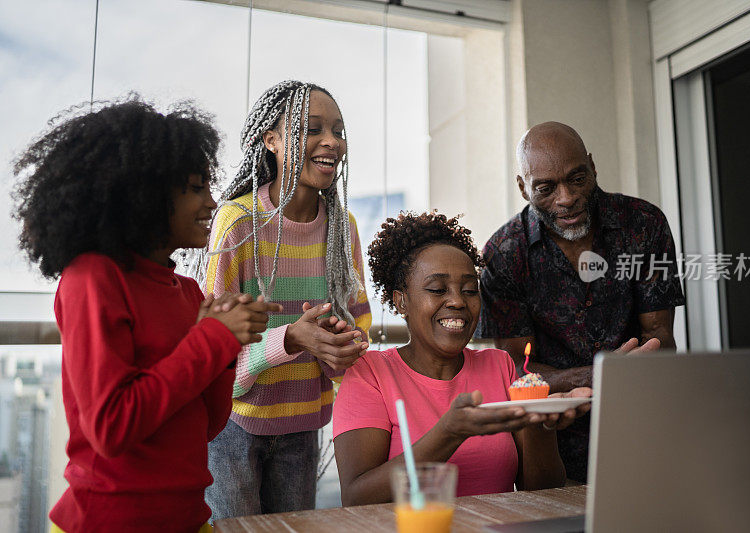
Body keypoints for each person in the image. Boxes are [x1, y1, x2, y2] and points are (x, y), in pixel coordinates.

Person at [12, 97, 279, 532]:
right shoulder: (93, 277)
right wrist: (211, 338)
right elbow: (111, 427)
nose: (212, 202)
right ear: (143, 193)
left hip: (190, 520)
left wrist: (226, 346)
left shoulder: (189, 292)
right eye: (194, 189)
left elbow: (206, 427)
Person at [333, 212, 591, 505]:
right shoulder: (370, 374)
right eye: (437, 289)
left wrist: (540, 425)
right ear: (401, 300)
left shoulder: (500, 366)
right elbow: (357, 498)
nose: (457, 301)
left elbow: (543, 491)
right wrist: (450, 432)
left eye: (469, 290)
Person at [476, 121, 686, 481]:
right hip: (551, 450)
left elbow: (660, 340)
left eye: (577, 179)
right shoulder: (503, 253)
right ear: (523, 187)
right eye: (546, 188)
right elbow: (515, 371)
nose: (566, 197)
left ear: (592, 165)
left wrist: (611, 375)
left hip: (644, 431)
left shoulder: (644, 224)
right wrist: (601, 375)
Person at [202, 80, 372, 519]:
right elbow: (214, 358)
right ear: (272, 141)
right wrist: (291, 340)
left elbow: (358, 330)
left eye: (338, 130)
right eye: (312, 129)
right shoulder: (237, 223)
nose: (331, 142)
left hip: (302, 428)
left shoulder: (343, 227)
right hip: (233, 427)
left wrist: (338, 344)